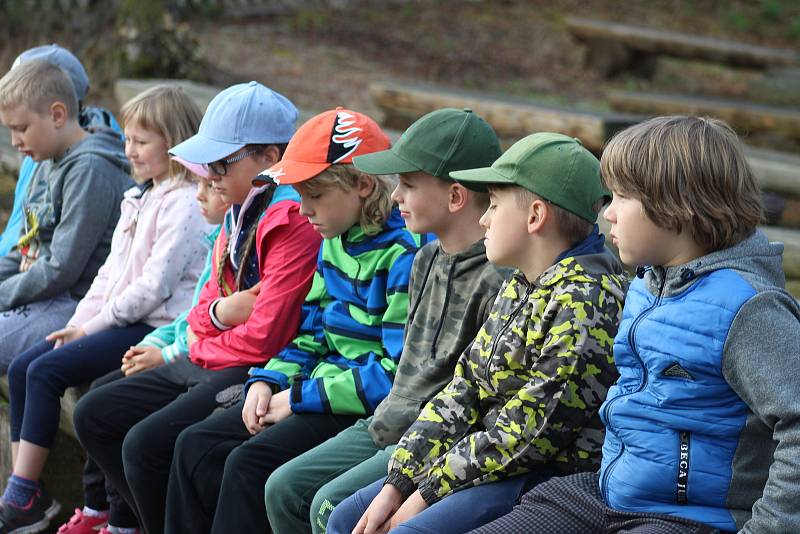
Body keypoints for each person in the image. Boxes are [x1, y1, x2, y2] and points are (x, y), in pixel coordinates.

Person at [470, 116, 800, 534]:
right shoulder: (645, 286)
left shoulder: (749, 308)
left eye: (622, 197)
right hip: (606, 495)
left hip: (684, 518)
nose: (607, 213)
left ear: (676, 205)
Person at [329, 132, 628, 534]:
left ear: (535, 216)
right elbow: (464, 385)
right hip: (477, 459)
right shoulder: (523, 280)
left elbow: (529, 434)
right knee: (345, 517)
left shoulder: (587, 302)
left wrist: (426, 493)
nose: (483, 218)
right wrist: (401, 480)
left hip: (537, 475)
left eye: (495, 204)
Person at [73, 81, 321, 534]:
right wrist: (217, 319)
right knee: (94, 412)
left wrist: (201, 342)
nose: (210, 173)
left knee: (150, 444)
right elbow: (205, 304)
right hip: (213, 353)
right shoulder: (238, 207)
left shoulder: (293, 221)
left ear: (269, 157)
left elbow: (265, 336)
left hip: (253, 366)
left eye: (222, 161)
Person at [163, 108, 427, 534]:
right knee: (196, 445)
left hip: (352, 404)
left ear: (361, 185)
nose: (303, 211)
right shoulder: (334, 240)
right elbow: (310, 334)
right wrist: (267, 381)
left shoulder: (402, 257)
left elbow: (392, 375)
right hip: (314, 388)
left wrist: (299, 397)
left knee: (247, 465)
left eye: (314, 195)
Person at [264, 107, 510, 534]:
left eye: (408, 185)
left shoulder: (497, 279)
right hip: (386, 418)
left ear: (455, 197)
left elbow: (474, 398)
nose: (395, 196)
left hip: (430, 436)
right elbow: (404, 369)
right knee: (282, 487)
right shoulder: (427, 259)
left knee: (329, 507)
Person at [0, 83, 210, 534]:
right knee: (22, 367)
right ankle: (24, 495)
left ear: (174, 143)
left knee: (45, 372)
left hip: (150, 326)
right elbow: (108, 276)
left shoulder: (186, 204)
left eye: (140, 141)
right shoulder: (139, 197)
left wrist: (94, 327)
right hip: (116, 318)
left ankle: (22, 497)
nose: (128, 150)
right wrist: (78, 324)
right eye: (128, 139)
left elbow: (154, 287)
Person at [56, 158, 229, 534]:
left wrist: (162, 354)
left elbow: (185, 309)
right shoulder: (219, 235)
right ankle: (114, 517)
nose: (200, 194)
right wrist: (153, 345)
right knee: (96, 398)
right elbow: (195, 315)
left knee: (141, 438)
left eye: (209, 186)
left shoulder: (206, 223)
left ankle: (125, 521)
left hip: (206, 359)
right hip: (173, 341)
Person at [0, 59, 131, 375]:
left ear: (57, 115)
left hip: (74, 304)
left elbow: (61, 269)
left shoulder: (90, 171)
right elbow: (26, 245)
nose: (16, 142)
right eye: (10, 131)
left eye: (21, 128)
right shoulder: (48, 158)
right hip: (43, 295)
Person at [0, 43, 122, 257]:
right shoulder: (41, 148)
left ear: (57, 112)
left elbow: (58, 259)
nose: (14, 141)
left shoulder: (89, 165)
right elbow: (22, 228)